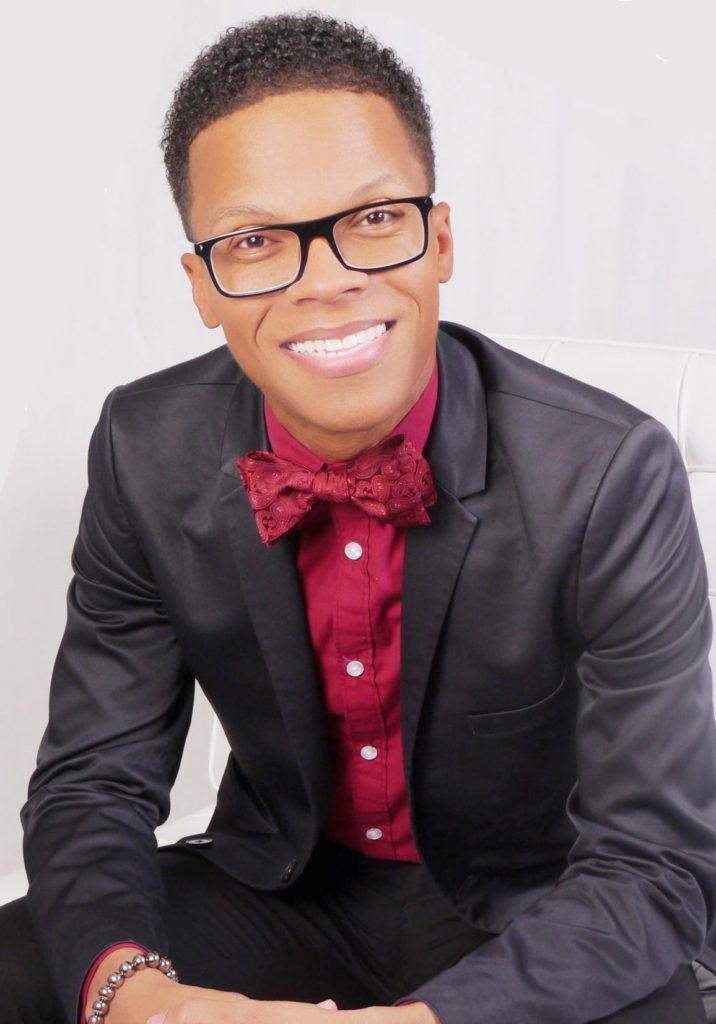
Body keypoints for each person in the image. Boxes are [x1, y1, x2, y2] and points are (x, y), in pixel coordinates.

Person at [2, 11, 716, 1024]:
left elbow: (651, 865)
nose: (329, 279)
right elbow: (93, 778)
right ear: (202, 284)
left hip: (542, 911)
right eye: (253, 241)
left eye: (374, 219)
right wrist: (141, 996)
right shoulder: (142, 443)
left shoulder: (609, 471)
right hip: (285, 888)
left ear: (441, 240)